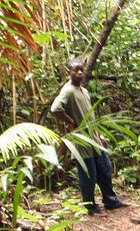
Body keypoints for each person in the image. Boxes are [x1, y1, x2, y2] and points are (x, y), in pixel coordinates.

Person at [51, 57, 123, 213]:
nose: (79, 72)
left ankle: (110, 200)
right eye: (75, 70)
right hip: (82, 140)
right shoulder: (68, 90)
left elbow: (90, 115)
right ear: (68, 71)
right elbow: (55, 108)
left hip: (94, 137)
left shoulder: (84, 91)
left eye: (81, 69)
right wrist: (71, 121)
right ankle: (89, 206)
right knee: (88, 175)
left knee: (105, 169)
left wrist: (100, 136)